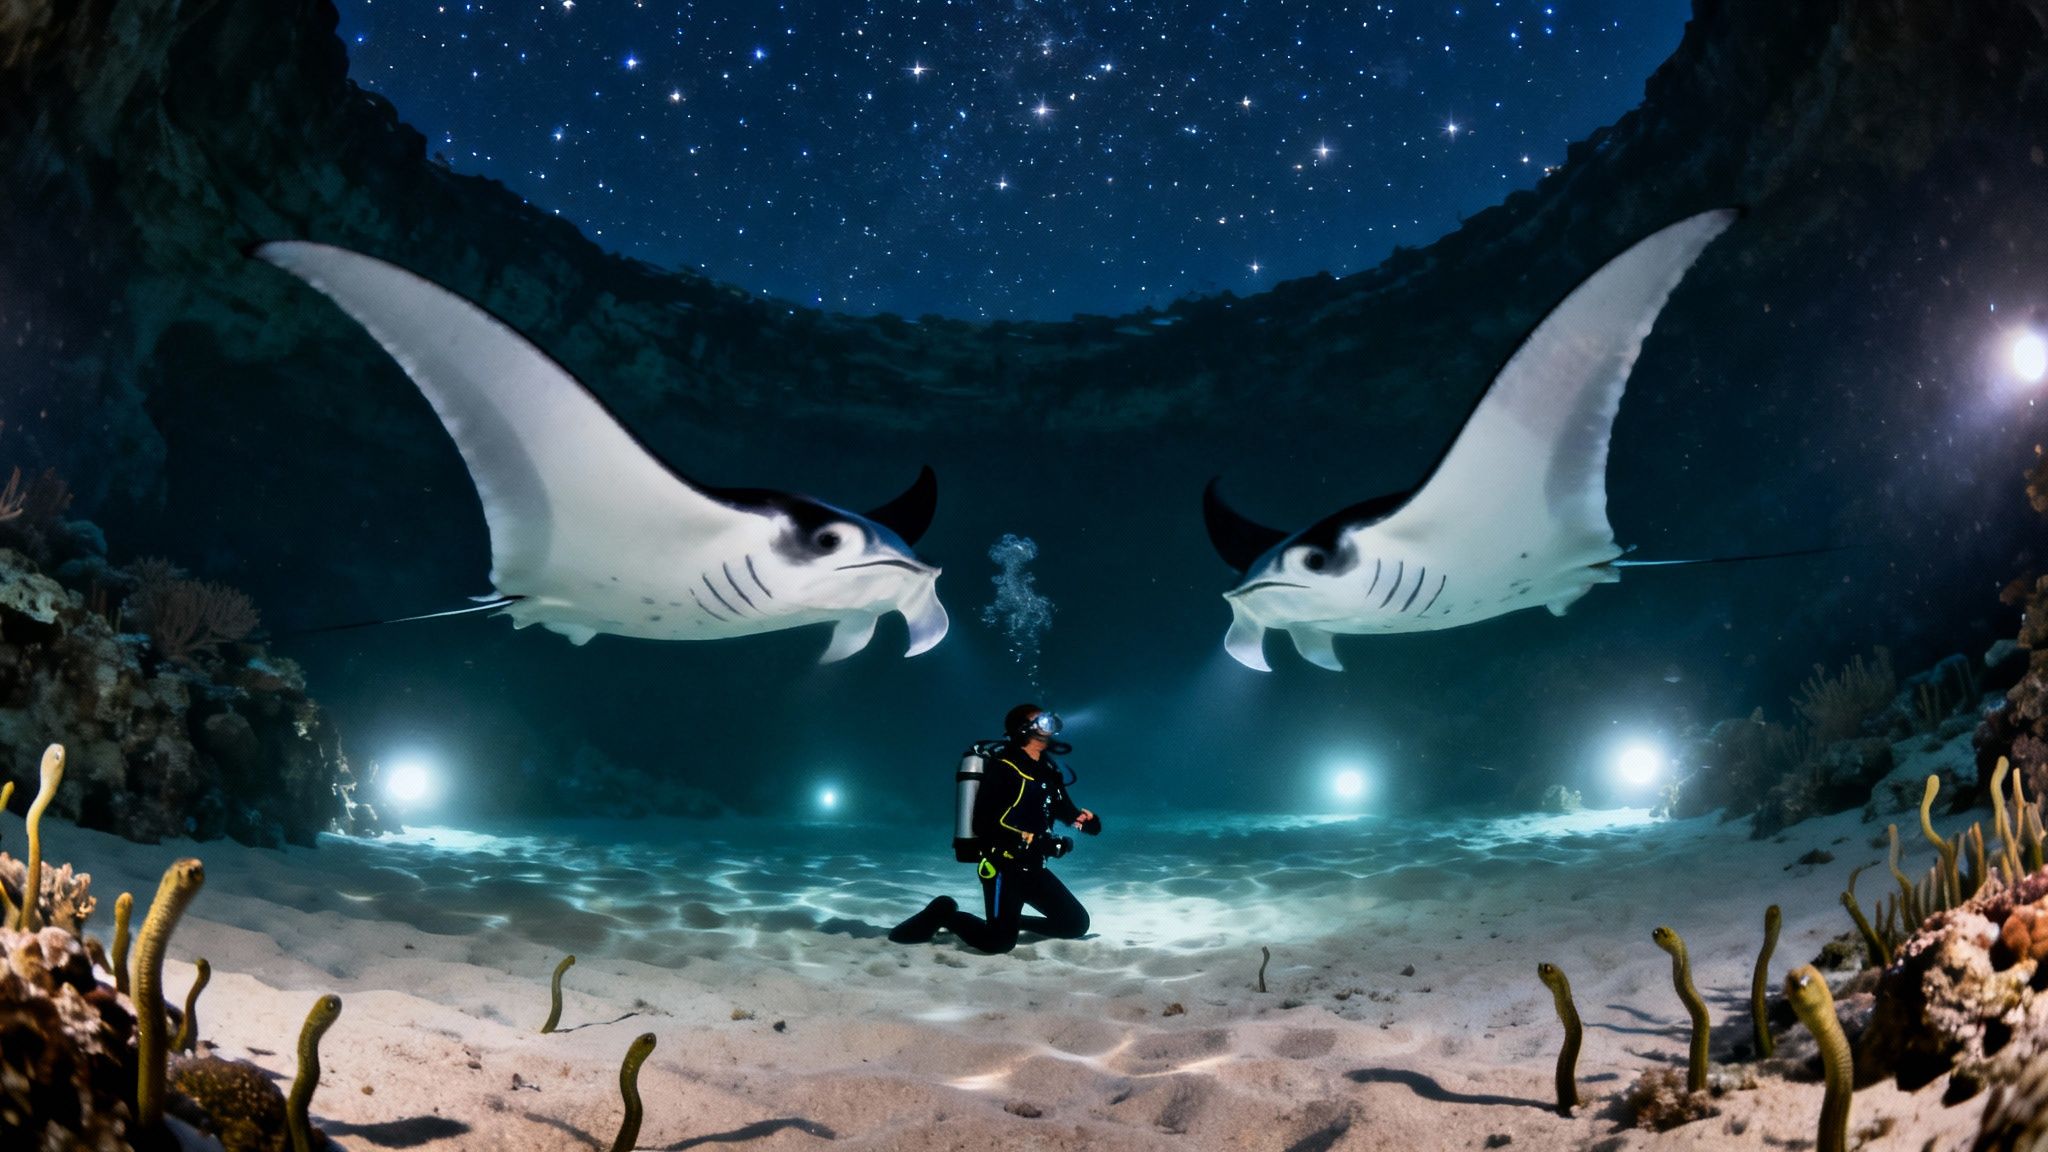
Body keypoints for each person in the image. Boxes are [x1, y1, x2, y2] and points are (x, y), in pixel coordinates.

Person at [889, 703, 1102, 953]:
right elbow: (984, 823)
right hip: (1004, 868)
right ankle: (945, 914)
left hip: (1035, 868)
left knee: (1075, 924)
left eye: (1051, 723)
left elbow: (1067, 812)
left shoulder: (1049, 771)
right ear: (1023, 730)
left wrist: (1088, 822)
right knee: (998, 943)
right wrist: (1036, 841)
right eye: (1043, 723)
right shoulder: (1005, 768)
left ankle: (1009, 923)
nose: (1050, 729)